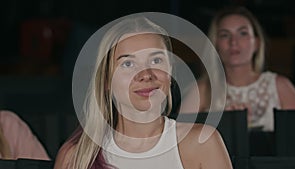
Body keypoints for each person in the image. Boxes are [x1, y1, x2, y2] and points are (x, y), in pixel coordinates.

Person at [54, 16, 232, 169]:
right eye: (128, 64)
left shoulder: (202, 142)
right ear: (106, 81)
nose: (145, 75)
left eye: (156, 60)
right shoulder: (74, 156)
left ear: (170, 73)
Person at [182, 6, 295, 131]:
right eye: (224, 35)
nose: (233, 42)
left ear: (257, 43)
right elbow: (177, 138)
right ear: (215, 44)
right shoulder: (202, 90)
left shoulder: (279, 86)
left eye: (243, 33)